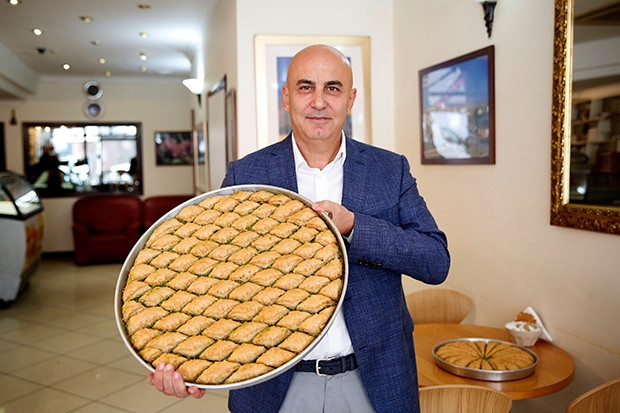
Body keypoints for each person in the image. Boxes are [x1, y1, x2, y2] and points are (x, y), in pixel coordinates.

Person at [147, 44, 450, 413]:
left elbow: (436, 261)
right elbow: (208, 280)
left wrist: (355, 227)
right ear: (286, 98)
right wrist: (185, 361)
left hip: (374, 383)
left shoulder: (390, 170)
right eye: (306, 87)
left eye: (333, 88)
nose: (319, 102)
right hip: (272, 385)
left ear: (350, 99)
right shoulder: (246, 175)